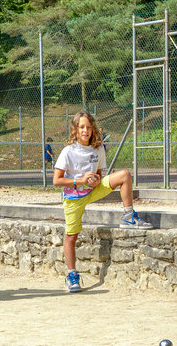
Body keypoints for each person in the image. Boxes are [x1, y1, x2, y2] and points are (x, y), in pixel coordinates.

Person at [53, 111, 150, 293]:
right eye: (82, 127)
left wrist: (95, 180)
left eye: (88, 127)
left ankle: (128, 216)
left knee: (124, 175)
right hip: (74, 197)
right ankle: (72, 275)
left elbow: (98, 175)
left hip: (92, 190)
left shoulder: (98, 148)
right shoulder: (68, 151)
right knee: (71, 236)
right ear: (75, 129)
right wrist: (80, 180)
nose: (86, 131)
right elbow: (56, 181)